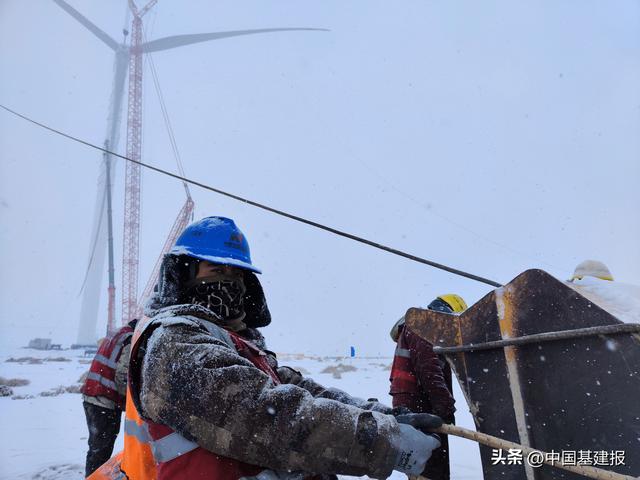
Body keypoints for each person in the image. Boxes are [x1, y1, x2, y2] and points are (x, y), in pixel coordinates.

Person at [89, 216, 442, 480]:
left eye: (236, 274)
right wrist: (381, 440)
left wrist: (383, 416)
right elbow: (267, 415)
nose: (228, 282)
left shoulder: (233, 342)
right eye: (216, 270)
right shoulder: (176, 343)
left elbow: (298, 389)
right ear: (184, 274)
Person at [389, 294, 468, 480]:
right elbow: (429, 372)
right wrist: (445, 408)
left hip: (413, 404)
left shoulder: (416, 328)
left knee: (420, 463)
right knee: (430, 465)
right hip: (420, 407)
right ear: (444, 314)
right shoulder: (422, 327)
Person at [81, 319, 138, 477]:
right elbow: (123, 376)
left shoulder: (117, 335)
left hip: (93, 397)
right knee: (101, 451)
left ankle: (92, 476)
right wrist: (132, 403)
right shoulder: (130, 338)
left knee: (97, 449)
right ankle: (94, 477)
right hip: (103, 401)